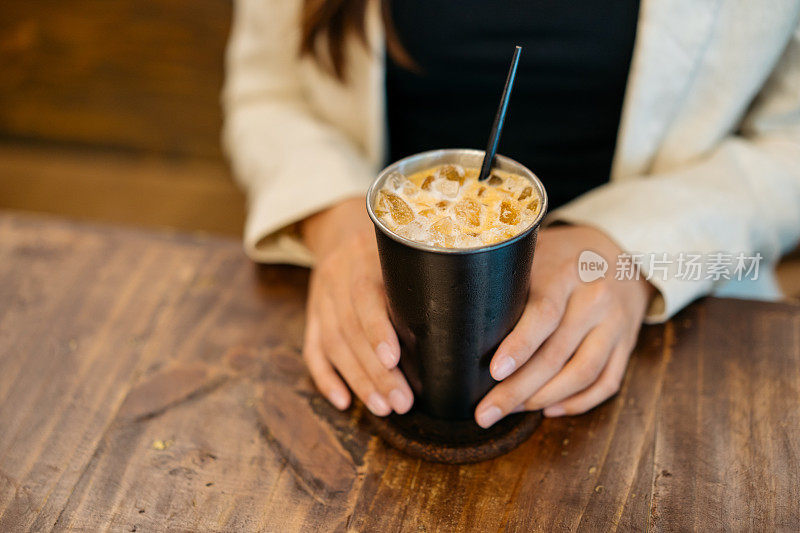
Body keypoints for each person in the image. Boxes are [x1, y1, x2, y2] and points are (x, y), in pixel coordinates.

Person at [222, 0, 800, 428]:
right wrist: (336, 218)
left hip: (675, 325)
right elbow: (268, 88)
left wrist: (634, 242)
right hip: (376, 312)